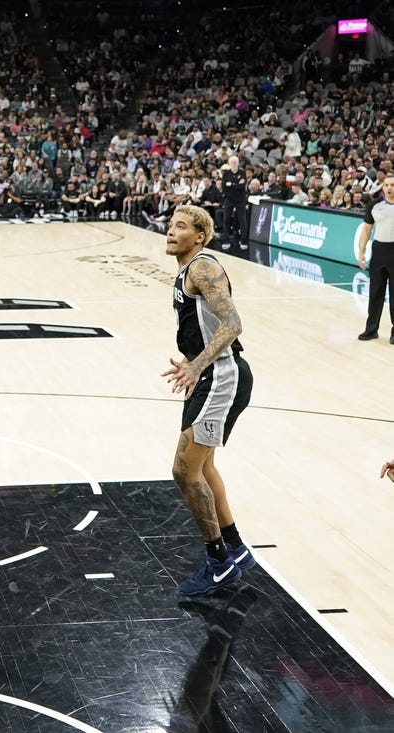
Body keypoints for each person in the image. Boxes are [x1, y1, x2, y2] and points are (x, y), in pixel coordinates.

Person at [162, 205, 255, 597]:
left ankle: (218, 563)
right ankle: (235, 547)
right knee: (204, 467)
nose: (170, 230)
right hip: (210, 373)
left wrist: (199, 363)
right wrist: (192, 358)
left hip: (221, 376)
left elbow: (233, 324)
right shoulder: (187, 271)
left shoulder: (203, 267)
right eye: (170, 224)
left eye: (180, 226)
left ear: (200, 236)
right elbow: (209, 326)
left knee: (184, 472)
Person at [356, 175, 394, 343]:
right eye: (386, 185)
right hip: (379, 250)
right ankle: (371, 329)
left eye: (392, 184)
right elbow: (366, 230)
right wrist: (361, 252)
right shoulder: (374, 204)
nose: (389, 188)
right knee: (375, 293)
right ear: (382, 187)